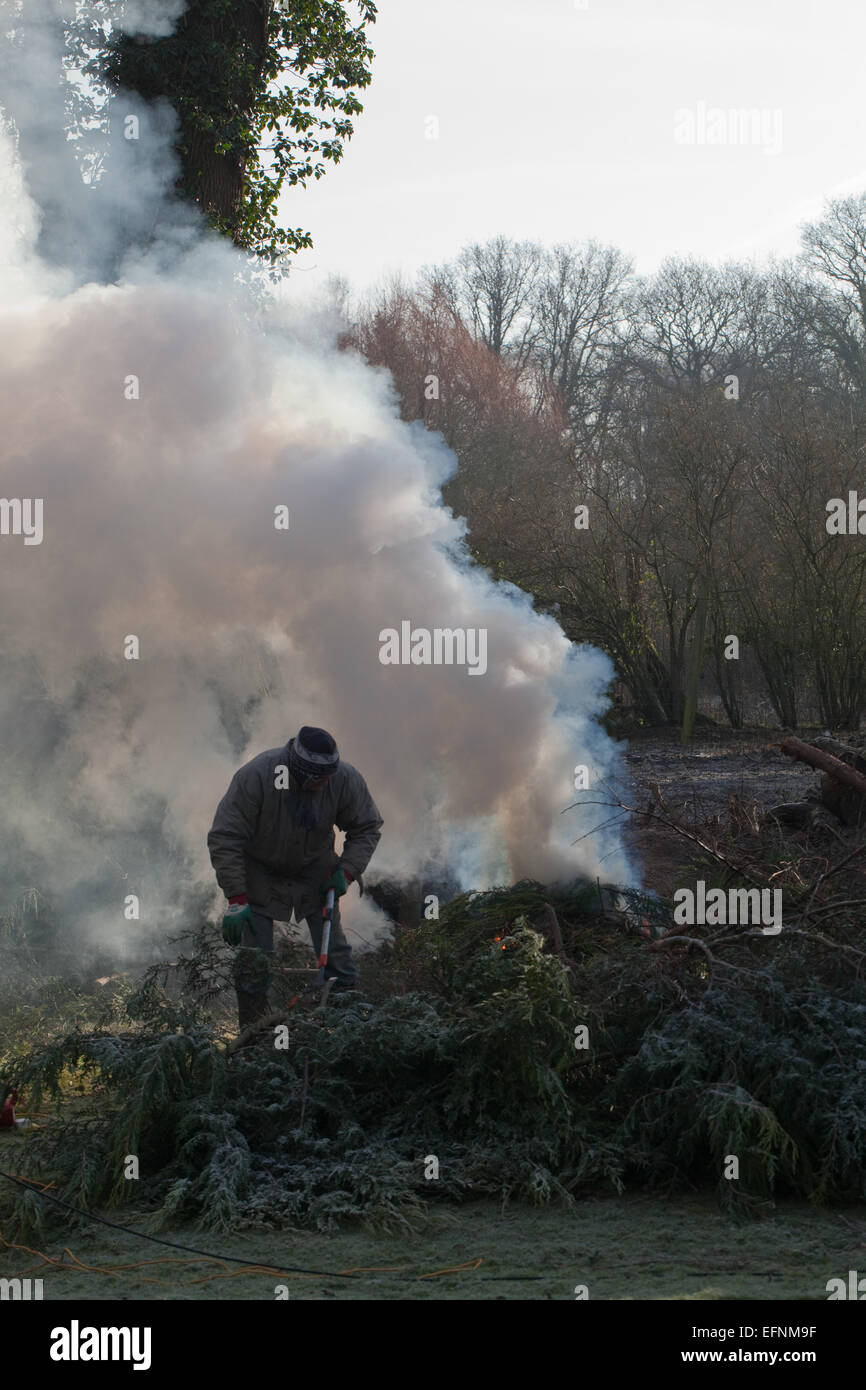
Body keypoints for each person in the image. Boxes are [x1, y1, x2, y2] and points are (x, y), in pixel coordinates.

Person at [207, 726, 383, 1029]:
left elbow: (366, 827)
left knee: (337, 960)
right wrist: (236, 897)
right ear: (300, 770)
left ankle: (348, 1029)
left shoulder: (344, 778)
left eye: (329, 775)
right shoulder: (258, 775)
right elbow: (225, 836)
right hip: (259, 873)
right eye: (318, 778)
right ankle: (255, 1037)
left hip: (315, 871)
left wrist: (348, 870)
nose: (325, 783)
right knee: (255, 965)